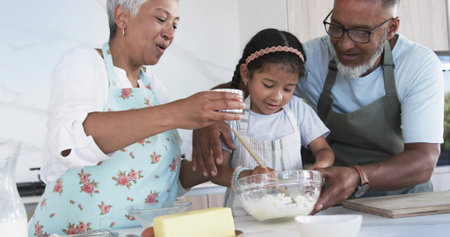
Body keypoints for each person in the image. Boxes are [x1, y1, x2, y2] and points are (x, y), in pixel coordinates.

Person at [192, 0, 444, 215]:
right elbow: (249, 84)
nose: (344, 44)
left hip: (400, 204)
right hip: (331, 202)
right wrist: (210, 118)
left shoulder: (418, 65)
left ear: (391, 28)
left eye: (360, 32)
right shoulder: (311, 56)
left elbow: (423, 161)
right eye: (337, 27)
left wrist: (357, 176)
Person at [28, 0, 245, 235]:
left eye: (175, 25)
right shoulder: (85, 63)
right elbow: (69, 142)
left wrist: (214, 165)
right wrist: (178, 113)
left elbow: (162, 176)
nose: (170, 33)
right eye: (161, 19)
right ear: (122, 17)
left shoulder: (155, 88)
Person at [179, 28, 334, 216]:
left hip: (292, 211)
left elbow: (324, 150)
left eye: (288, 88)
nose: (277, 97)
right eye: (268, 85)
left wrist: (318, 168)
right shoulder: (232, 116)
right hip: (244, 216)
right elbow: (218, 171)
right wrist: (246, 176)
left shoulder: (298, 110)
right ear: (246, 74)